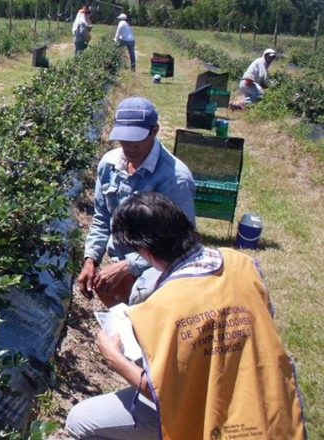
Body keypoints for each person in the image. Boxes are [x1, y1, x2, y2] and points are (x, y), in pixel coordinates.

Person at [66, 192, 306, 439]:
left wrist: (114, 359)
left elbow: (165, 394)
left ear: (145, 251)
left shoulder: (163, 305)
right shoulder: (244, 264)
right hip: (276, 413)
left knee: (80, 420)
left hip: (218, 424)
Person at [77, 97, 195, 308]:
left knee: (142, 308)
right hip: (122, 260)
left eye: (137, 139)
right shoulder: (109, 165)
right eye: (124, 139)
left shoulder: (175, 179)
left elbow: (182, 245)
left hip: (159, 266)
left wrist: (130, 266)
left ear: (155, 131)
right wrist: (91, 259)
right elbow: (102, 218)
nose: (129, 146)